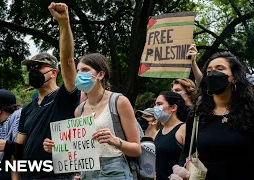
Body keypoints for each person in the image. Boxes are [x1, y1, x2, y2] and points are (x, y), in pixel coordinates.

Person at [10, 3, 80, 180]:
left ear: (54, 72)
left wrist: (64, 24)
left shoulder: (65, 96)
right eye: (30, 68)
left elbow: (68, 61)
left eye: (38, 67)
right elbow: (18, 150)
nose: (32, 71)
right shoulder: (27, 110)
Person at [44, 52, 141, 180]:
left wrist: (115, 141)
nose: (79, 74)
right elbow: (80, 150)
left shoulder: (119, 101)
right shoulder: (79, 110)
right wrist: (57, 148)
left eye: (85, 70)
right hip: (87, 173)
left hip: (114, 171)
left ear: (100, 74)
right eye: (78, 71)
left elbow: (137, 149)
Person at [171, 51, 254, 179]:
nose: (212, 74)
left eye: (220, 69)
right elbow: (187, 152)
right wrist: (181, 171)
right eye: (209, 71)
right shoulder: (197, 115)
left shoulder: (252, 112)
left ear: (233, 77)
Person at [153, 91, 187, 180]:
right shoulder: (159, 131)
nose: (156, 107)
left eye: (159, 104)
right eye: (155, 104)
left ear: (173, 107)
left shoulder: (183, 129)